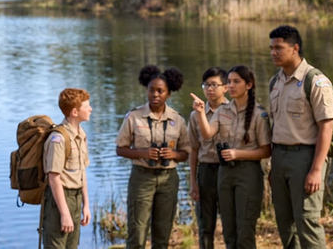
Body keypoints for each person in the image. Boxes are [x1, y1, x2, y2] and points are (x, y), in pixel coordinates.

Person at [268, 25, 333, 249]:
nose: (273, 53)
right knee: (285, 223)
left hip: (305, 157)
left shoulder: (315, 80)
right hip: (279, 158)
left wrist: (316, 170)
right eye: (271, 48)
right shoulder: (275, 81)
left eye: (279, 48)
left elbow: (327, 126)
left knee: (307, 221)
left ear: (295, 48)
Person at [191, 65, 272, 249]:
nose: (231, 86)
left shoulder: (259, 114)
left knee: (245, 231)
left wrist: (238, 153)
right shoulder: (222, 110)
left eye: (236, 82)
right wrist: (200, 113)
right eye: (229, 82)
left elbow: (266, 151)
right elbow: (207, 134)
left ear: (249, 85)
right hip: (225, 174)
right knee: (229, 232)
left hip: (248, 173)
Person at [116, 65, 190, 249]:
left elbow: (186, 153)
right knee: (137, 231)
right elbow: (120, 149)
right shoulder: (134, 116)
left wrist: (173, 155)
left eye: (160, 91)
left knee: (163, 231)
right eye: (151, 90)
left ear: (169, 94)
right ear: (146, 90)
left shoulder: (178, 119)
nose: (155, 95)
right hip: (142, 177)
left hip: (168, 178)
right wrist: (143, 153)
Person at [42, 87, 93, 249]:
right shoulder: (58, 139)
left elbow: (81, 172)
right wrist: (64, 214)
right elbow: (54, 178)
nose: (90, 109)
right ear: (75, 112)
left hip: (76, 198)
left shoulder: (81, 134)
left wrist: (86, 205)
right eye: (87, 106)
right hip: (60, 200)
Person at [188, 67, 230, 249]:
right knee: (205, 225)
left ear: (226, 87)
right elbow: (193, 150)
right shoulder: (196, 115)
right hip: (206, 171)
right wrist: (193, 181)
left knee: (231, 224)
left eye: (214, 85)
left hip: (228, 169)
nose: (209, 89)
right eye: (206, 85)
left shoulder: (233, 111)